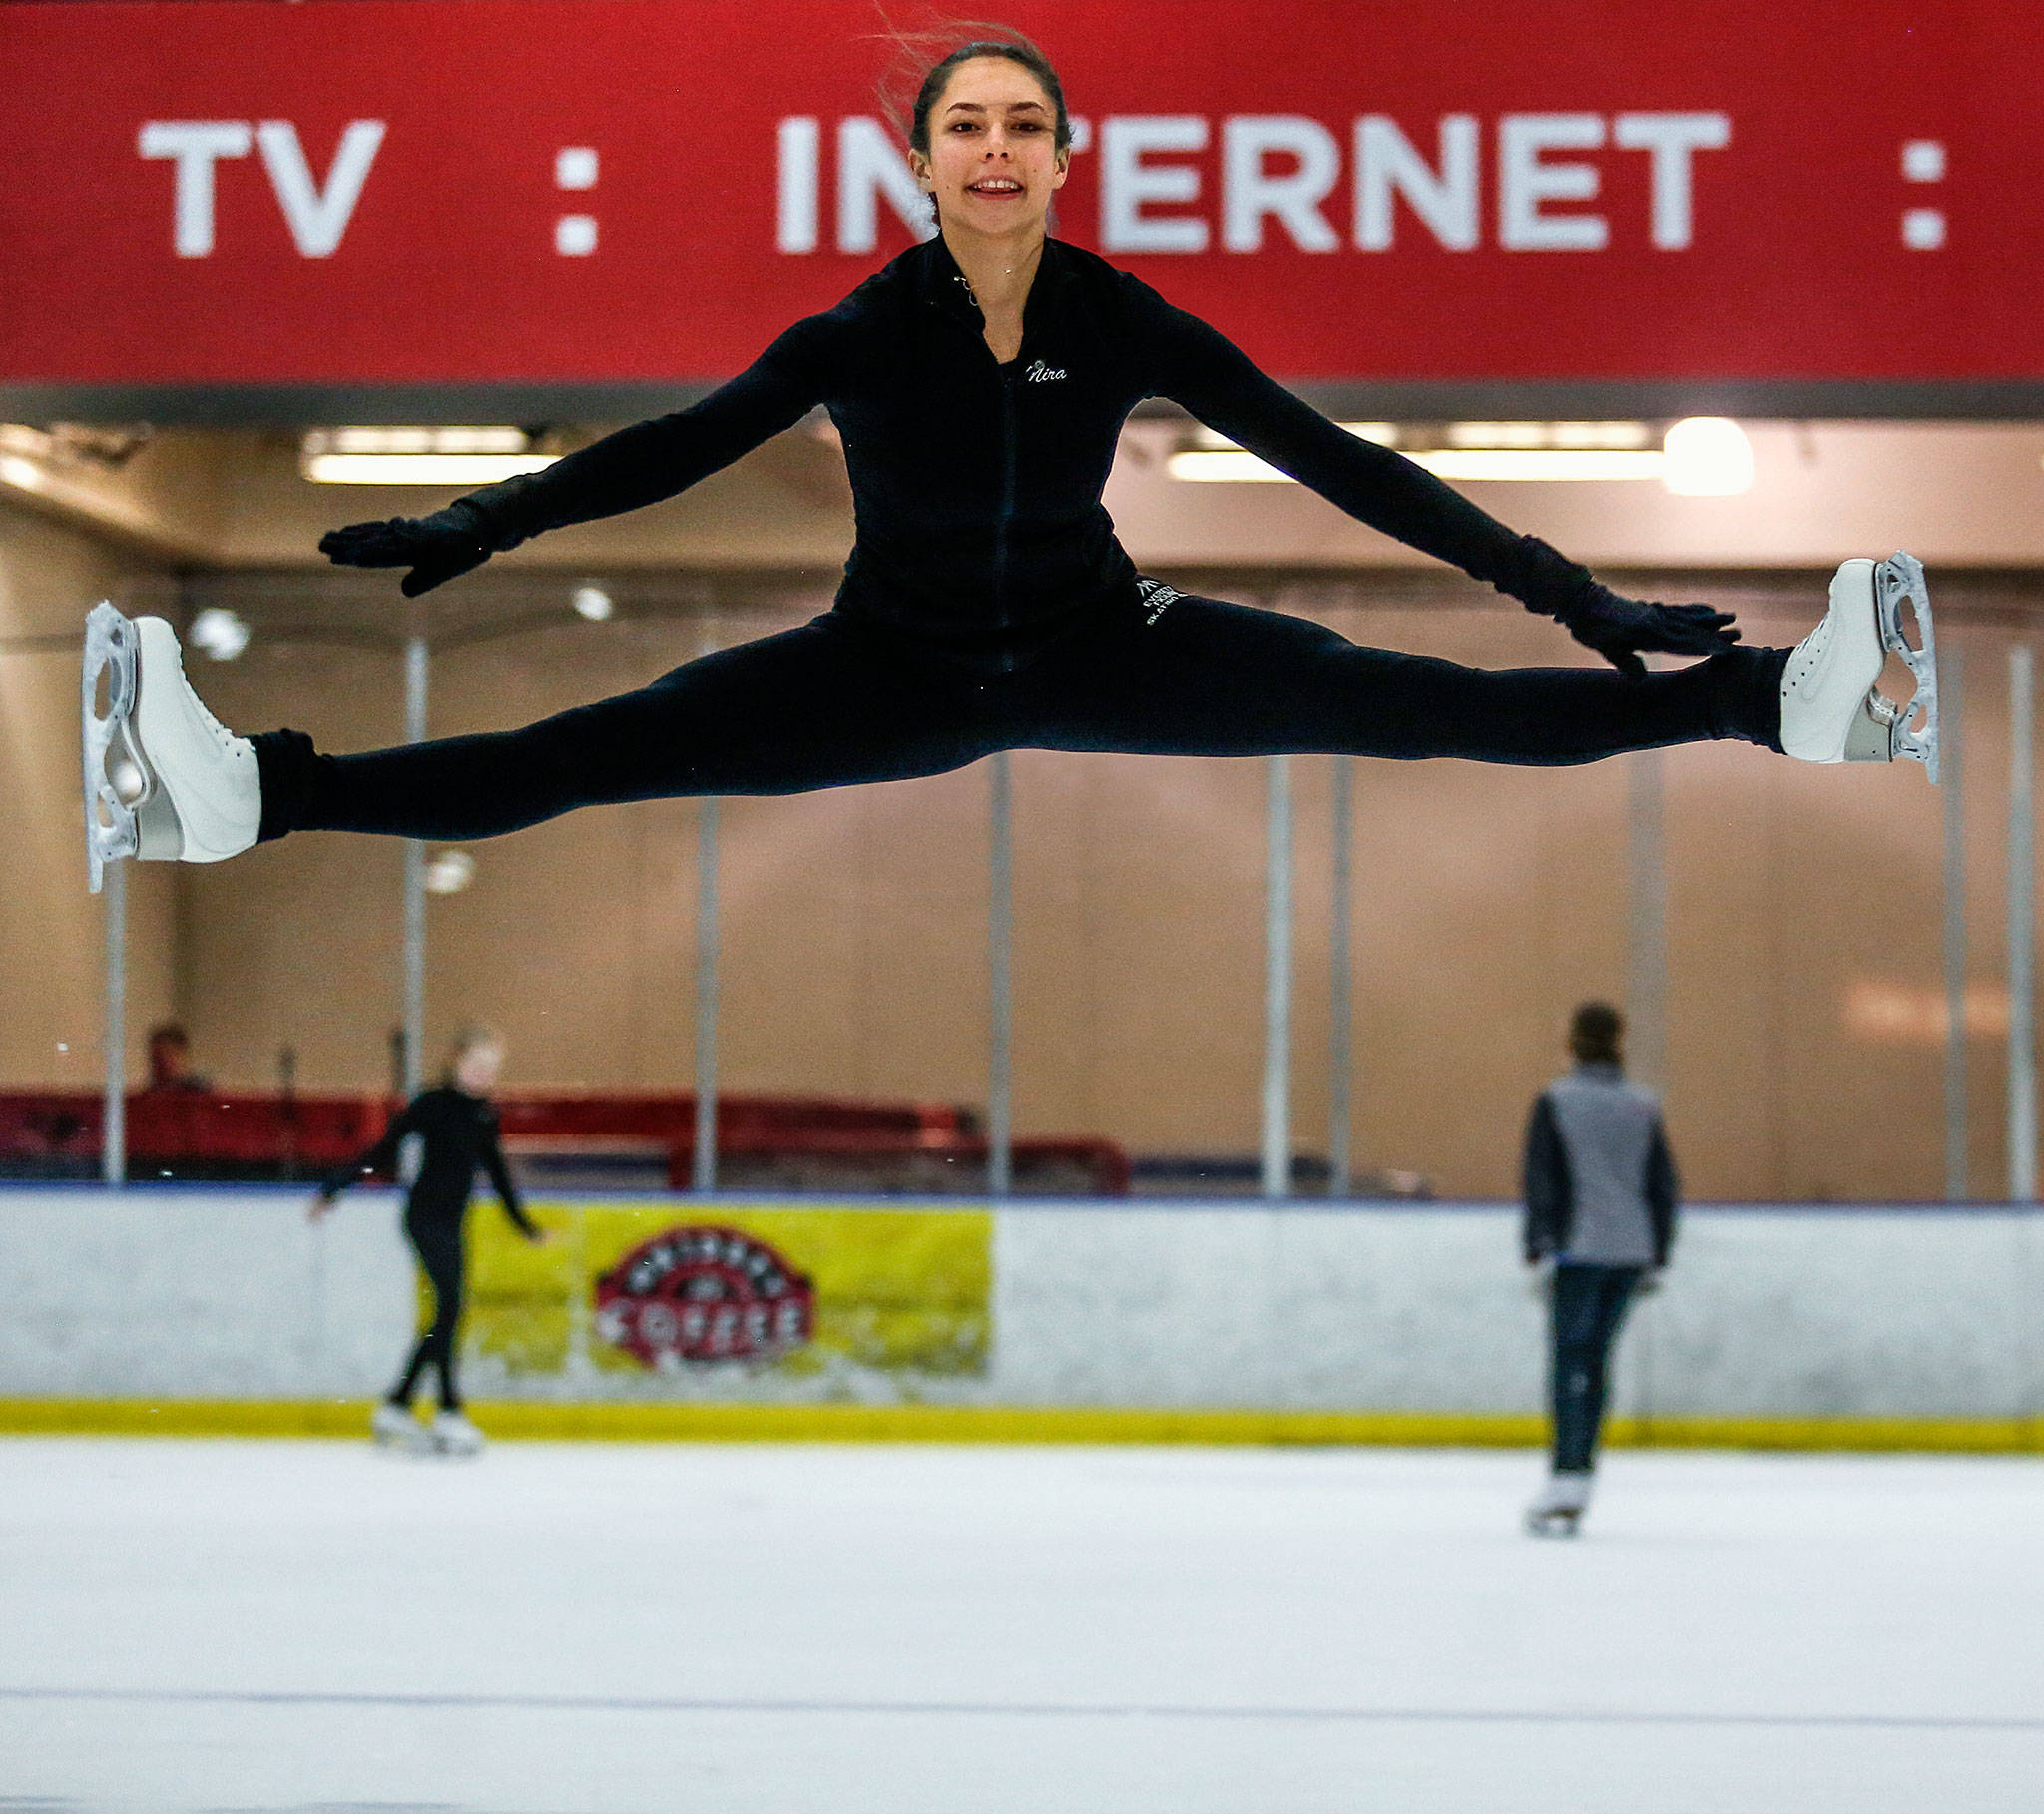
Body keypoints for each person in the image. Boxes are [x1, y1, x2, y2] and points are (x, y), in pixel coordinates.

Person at [87, 36, 1929, 878]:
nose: (991, 152)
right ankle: (245, 796)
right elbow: (682, 444)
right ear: (924, 161)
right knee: (589, 752)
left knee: (1423, 698)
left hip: (1112, 646)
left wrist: (1571, 588)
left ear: (1062, 158)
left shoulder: (1123, 316)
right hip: (881, 668)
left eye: (1021, 128)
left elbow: (1340, 465)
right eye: (961, 126)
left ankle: (1788, 701)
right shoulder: (857, 333)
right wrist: (488, 516)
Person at [309, 1025, 544, 1455]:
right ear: (456, 1060)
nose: (482, 1075)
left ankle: (399, 1404)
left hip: (455, 1222)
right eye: (476, 1065)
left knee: (449, 1313)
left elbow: (496, 1173)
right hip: (423, 1218)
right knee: (450, 1308)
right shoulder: (431, 1104)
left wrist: (523, 1225)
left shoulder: (485, 1114)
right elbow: (383, 1150)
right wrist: (334, 1189)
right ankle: (448, 1410)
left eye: (490, 1069)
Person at [1520, 1002, 1678, 1537]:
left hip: (1579, 1250)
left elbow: (1543, 1178)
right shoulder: (1641, 1105)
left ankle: (1566, 1476)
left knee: (1570, 1363)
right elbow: (1662, 1186)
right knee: (1598, 1363)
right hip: (1629, 1251)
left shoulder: (1557, 1101)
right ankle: (1580, 1478)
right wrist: (1658, 1252)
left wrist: (1539, 1245)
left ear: (1570, 1041)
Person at [144, 1023, 210, 1093]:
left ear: (183, 1056)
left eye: (168, 1056)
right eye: (156, 1058)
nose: (162, 1064)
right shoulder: (145, 1098)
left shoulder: (205, 1095)